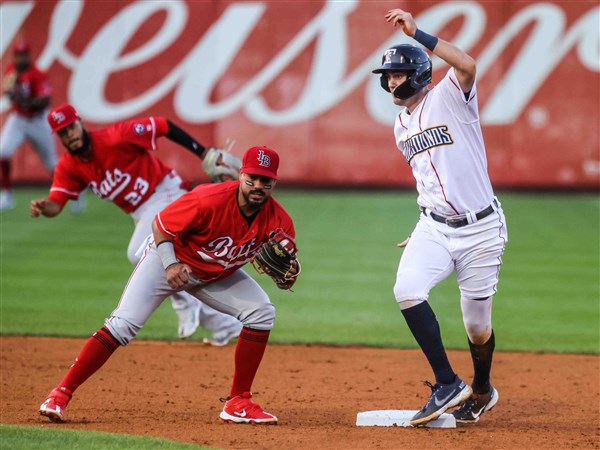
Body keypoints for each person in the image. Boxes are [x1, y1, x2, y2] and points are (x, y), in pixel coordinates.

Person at [39, 145, 299, 425]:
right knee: (123, 324)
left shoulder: (280, 220)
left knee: (261, 312)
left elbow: (285, 270)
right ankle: (60, 394)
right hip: (168, 259)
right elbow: (162, 225)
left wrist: (289, 274)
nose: (258, 186)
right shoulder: (208, 199)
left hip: (214, 275)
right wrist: (170, 263)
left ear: (274, 182)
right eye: (252, 179)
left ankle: (238, 401)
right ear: (241, 175)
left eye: (266, 181)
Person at [372, 9, 508, 426]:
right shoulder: (400, 125)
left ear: (417, 74)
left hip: (482, 227)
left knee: (477, 327)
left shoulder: (450, 94)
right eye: (388, 76)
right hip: (433, 225)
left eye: (398, 74)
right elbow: (427, 177)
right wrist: (421, 226)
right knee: (407, 288)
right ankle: (447, 382)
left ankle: (482, 390)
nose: (392, 81)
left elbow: (467, 64)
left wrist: (418, 34)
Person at [30, 103, 243, 345]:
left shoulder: (115, 137)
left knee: (139, 252)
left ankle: (185, 304)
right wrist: (43, 206)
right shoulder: (69, 167)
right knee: (165, 257)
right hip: (142, 212)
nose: (69, 134)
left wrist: (202, 152)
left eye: (71, 127)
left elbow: (163, 125)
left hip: (166, 192)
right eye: (63, 132)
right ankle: (226, 325)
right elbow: (56, 205)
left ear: (80, 123)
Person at [1, 41, 56, 211]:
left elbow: (44, 100)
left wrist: (21, 99)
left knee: (51, 163)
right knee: (3, 152)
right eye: (18, 55)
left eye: (23, 55)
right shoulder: (11, 70)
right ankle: (7, 195)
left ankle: (74, 193)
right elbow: (10, 93)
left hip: (38, 120)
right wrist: (11, 94)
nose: (20, 58)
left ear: (29, 56)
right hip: (19, 119)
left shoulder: (37, 74)